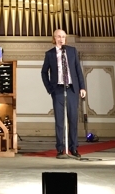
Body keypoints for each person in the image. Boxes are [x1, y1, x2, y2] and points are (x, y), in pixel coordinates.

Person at [41, 29, 86, 159]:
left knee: (73, 119)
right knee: (59, 121)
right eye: (59, 37)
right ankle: (60, 148)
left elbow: (78, 70)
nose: (61, 39)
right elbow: (44, 72)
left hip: (72, 89)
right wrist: (50, 88)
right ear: (54, 38)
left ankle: (73, 148)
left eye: (64, 37)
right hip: (58, 90)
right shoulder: (49, 54)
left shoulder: (72, 51)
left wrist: (82, 87)